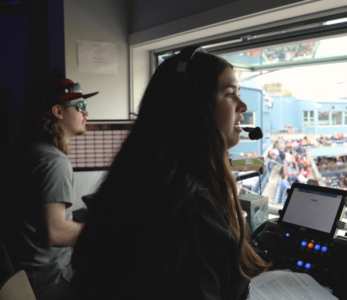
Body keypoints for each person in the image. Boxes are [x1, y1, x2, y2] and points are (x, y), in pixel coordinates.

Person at [70, 47, 270, 300]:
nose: (243, 105)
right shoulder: (190, 208)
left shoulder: (142, 178)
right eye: (230, 94)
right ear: (193, 108)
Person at [0, 78, 96, 300]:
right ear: (58, 112)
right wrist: (101, 229)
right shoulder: (52, 161)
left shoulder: (28, 150)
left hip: (23, 271)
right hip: (46, 281)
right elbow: (54, 233)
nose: (86, 113)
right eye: (80, 106)